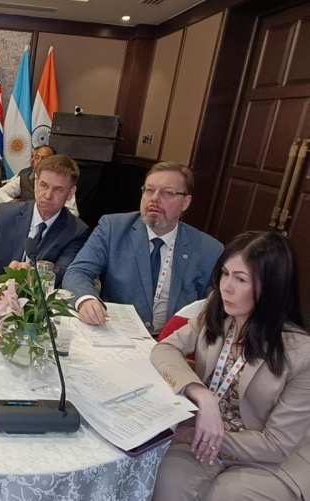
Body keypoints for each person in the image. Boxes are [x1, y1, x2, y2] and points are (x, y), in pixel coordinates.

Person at [151, 231, 310, 501]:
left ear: (271, 287)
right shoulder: (218, 314)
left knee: (225, 496)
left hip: (272, 461)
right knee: (167, 480)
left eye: (240, 279)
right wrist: (202, 395)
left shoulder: (302, 354)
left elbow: (277, 445)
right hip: (205, 439)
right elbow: (164, 348)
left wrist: (194, 434)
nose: (226, 287)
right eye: (225, 274)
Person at [62, 161, 223, 335]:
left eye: (167, 193)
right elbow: (77, 272)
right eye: (149, 190)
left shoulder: (208, 249)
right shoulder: (113, 228)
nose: (154, 199)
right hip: (118, 334)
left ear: (185, 202)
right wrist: (86, 299)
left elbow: (216, 303)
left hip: (175, 341)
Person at [0, 155, 89, 280]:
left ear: (70, 193)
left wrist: (34, 274)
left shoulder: (76, 231)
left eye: (58, 189)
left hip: (39, 297)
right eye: (44, 185)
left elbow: (63, 272)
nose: (48, 195)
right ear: (36, 183)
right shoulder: (7, 213)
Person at [0, 144, 79, 217]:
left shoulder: (61, 181)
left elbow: (73, 212)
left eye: (44, 158)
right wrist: (13, 203)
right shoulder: (24, 177)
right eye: (36, 157)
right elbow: (0, 193)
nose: (39, 161)